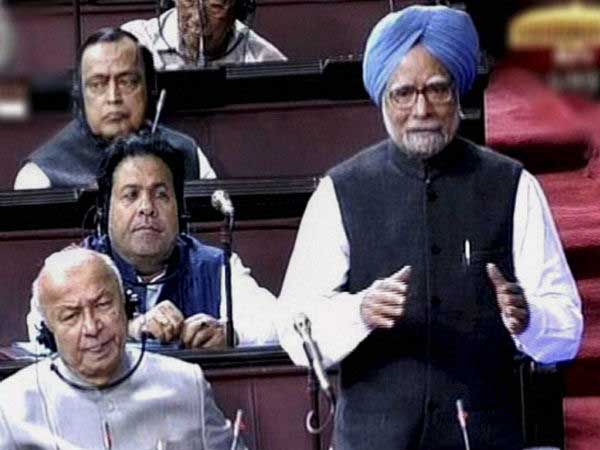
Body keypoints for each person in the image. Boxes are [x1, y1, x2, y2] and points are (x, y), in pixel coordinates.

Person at [277, 5, 583, 450]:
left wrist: (529, 319)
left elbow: (568, 330)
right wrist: (359, 312)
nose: (421, 109)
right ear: (383, 99)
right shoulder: (339, 191)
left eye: (437, 89)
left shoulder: (513, 186)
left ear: (457, 93)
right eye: (403, 93)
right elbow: (294, 329)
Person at [27, 132, 277, 348]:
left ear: (179, 209)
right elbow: (41, 332)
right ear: (105, 209)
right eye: (131, 195)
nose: (147, 207)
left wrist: (231, 334)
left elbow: (278, 325)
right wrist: (129, 329)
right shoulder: (74, 269)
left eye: (161, 195)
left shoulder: (214, 266)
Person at [1, 247, 245, 450]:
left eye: (103, 305)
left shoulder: (187, 384)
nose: (92, 327)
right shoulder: (10, 406)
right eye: (71, 316)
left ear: (127, 306)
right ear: (49, 330)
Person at [14, 27, 215, 190]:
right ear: (79, 95)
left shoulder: (187, 154)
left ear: (149, 89)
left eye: (127, 82)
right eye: (98, 84)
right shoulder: (41, 176)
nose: (113, 98)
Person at [121, 0, 286, 70]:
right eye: (189, 2)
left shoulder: (264, 60)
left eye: (215, 7)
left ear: (239, 8)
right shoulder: (134, 42)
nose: (198, 19)